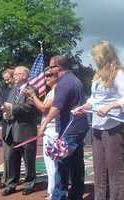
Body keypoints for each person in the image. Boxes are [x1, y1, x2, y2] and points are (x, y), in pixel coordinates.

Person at [73, 41, 124, 200]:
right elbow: (94, 100)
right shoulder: (97, 75)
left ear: (104, 55)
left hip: (113, 127)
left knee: (115, 170)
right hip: (97, 128)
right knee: (99, 169)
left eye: (95, 56)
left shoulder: (119, 73)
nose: (93, 59)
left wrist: (111, 106)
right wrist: (83, 108)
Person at [39, 55, 89, 200]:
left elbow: (56, 107)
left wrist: (44, 124)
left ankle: (58, 196)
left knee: (62, 164)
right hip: (78, 127)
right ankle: (76, 194)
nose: (49, 70)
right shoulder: (75, 80)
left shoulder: (64, 83)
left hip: (69, 129)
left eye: (51, 67)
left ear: (58, 68)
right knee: (76, 163)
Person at [1, 66, 38, 196]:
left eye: (17, 74)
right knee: (11, 159)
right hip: (11, 130)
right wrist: (6, 113)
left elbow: (29, 107)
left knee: (28, 159)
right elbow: (8, 106)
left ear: (24, 76)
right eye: (14, 74)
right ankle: (11, 184)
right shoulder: (13, 90)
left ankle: (29, 183)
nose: (14, 76)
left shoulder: (32, 90)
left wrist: (12, 108)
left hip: (26, 130)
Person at [24, 71, 59, 200]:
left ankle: (54, 191)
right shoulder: (51, 91)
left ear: (57, 77)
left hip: (53, 129)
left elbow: (44, 108)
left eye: (50, 75)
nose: (46, 78)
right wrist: (33, 99)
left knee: (52, 163)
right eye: (46, 76)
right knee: (49, 163)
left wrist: (34, 95)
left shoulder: (56, 91)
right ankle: (52, 190)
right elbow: (43, 107)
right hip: (49, 129)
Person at [0, 68, 15, 190]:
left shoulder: (21, 90)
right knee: (7, 155)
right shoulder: (3, 91)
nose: (7, 82)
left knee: (23, 155)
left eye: (9, 79)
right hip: (7, 126)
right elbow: (0, 109)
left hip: (20, 127)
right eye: (5, 80)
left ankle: (28, 181)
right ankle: (6, 179)